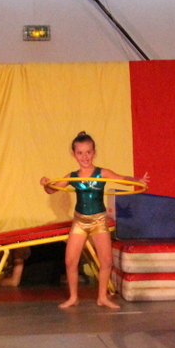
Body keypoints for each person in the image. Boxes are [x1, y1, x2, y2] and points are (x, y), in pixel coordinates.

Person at [40, 131, 146, 309]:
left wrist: (138, 180)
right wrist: (46, 183)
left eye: (88, 152)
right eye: (80, 153)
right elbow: (51, 190)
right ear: (74, 155)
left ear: (94, 153)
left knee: (106, 261)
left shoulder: (101, 173)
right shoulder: (72, 176)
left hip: (98, 221)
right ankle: (73, 297)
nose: (85, 156)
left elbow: (121, 179)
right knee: (70, 261)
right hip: (80, 222)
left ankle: (102, 297)